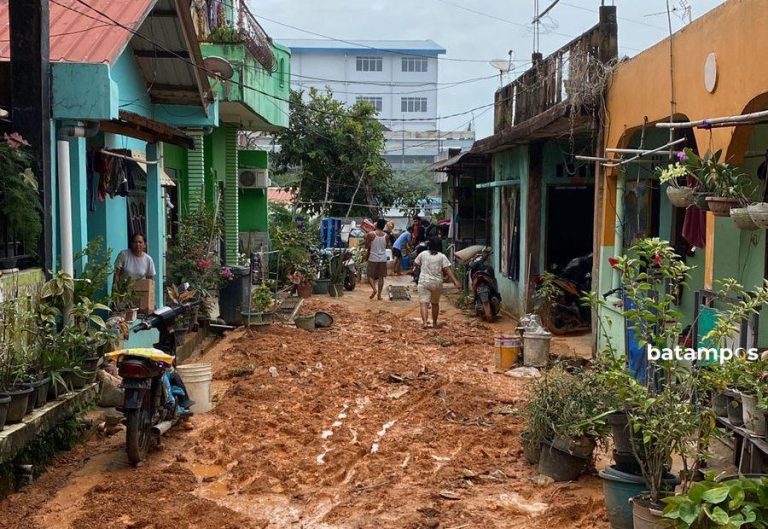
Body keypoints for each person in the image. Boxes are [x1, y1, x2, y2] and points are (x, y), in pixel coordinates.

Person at [413, 237, 461, 329]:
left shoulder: (423, 254)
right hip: (437, 283)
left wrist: (420, 267)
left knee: (424, 303)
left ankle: (425, 323)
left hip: (424, 282)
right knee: (435, 303)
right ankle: (434, 323)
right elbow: (447, 270)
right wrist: (455, 281)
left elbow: (415, 263)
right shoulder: (442, 256)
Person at [364, 219, 389, 300]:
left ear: (377, 225)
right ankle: (379, 295)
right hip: (382, 258)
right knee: (381, 277)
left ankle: (374, 289)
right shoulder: (386, 235)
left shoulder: (371, 234)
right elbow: (386, 246)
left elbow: (366, 246)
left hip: (373, 257)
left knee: (369, 275)